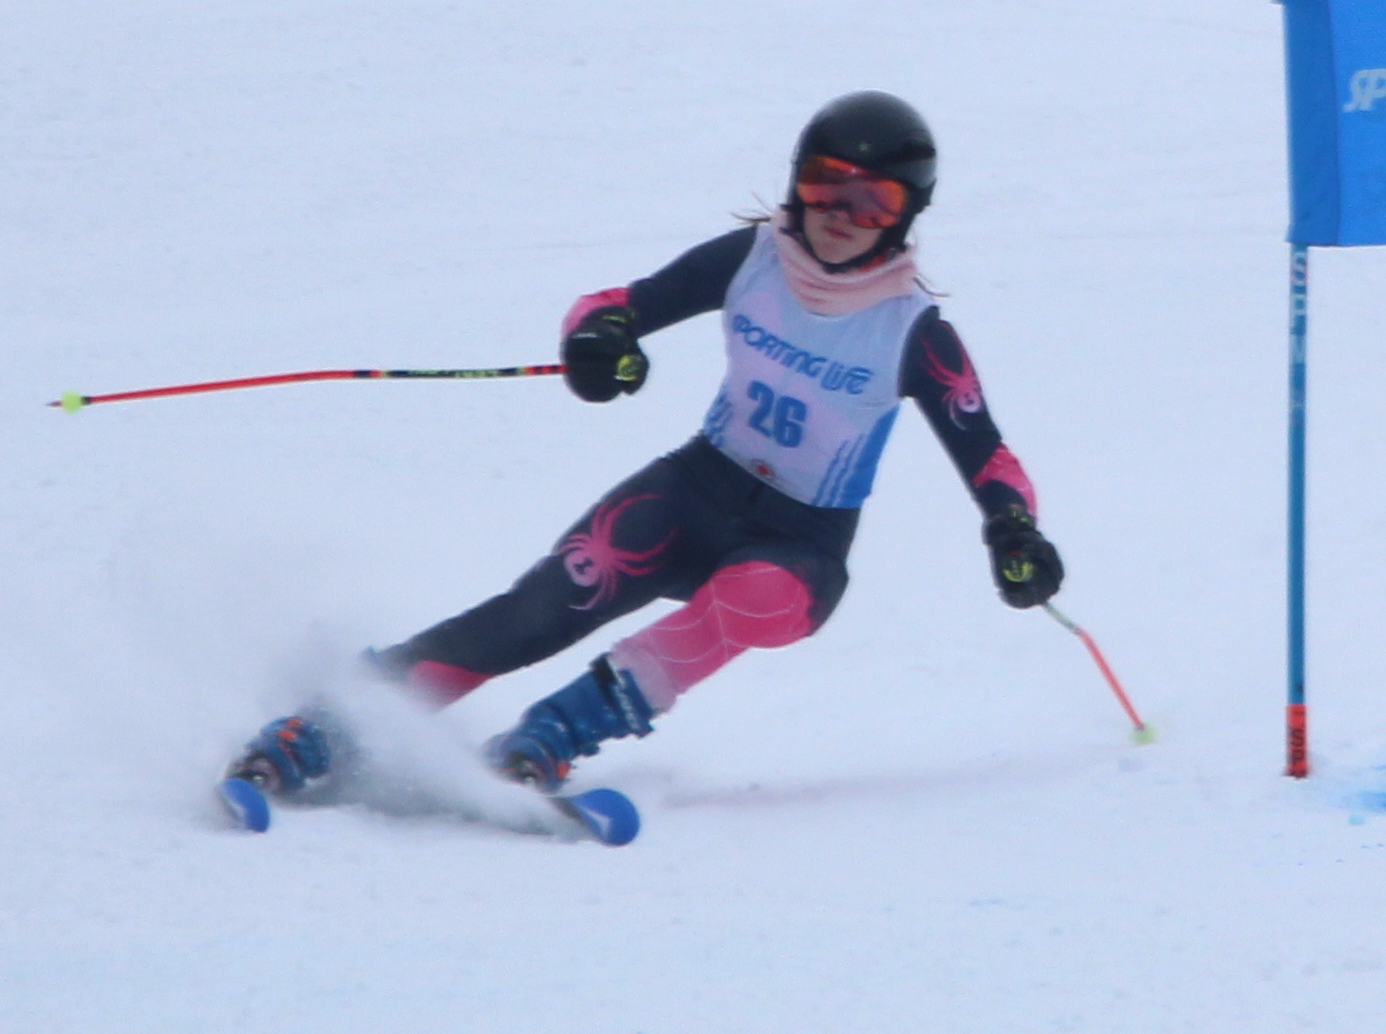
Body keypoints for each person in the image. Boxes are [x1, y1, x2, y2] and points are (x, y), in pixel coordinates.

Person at [220, 92, 1062, 825]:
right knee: (543, 607)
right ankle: (327, 727)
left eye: (874, 200)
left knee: (749, 599)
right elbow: (611, 306)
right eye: (824, 182)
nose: (842, 211)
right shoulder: (751, 261)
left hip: (799, 547)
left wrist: (1014, 531)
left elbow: (989, 455)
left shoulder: (911, 330)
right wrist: (601, 344)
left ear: (907, 216)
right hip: (694, 491)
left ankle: (551, 737)